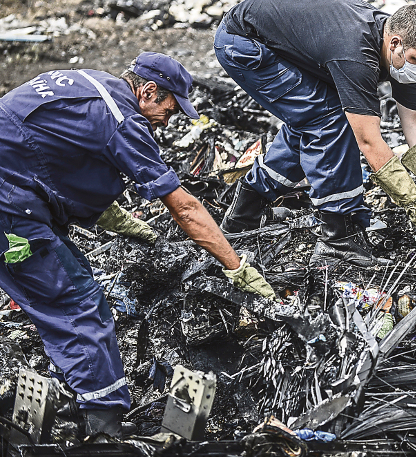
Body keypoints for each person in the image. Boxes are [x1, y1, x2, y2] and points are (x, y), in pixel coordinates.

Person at [0, 53, 274, 438]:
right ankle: (104, 425)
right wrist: (236, 267)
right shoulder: (124, 121)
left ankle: (61, 403)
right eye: (169, 106)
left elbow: (56, 161)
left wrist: (128, 226)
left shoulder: (91, 83)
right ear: (147, 91)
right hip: (11, 211)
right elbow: (184, 207)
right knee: (76, 303)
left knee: (54, 299)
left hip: (17, 195)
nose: (169, 118)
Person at [214, 0, 416, 267]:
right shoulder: (356, 54)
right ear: (396, 43)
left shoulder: (400, 51)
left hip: (282, 39)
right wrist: (413, 204)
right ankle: (336, 239)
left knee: (311, 118)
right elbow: (368, 141)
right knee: (329, 119)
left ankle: (243, 214)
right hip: (243, 43)